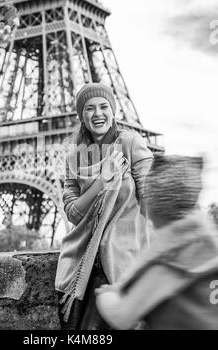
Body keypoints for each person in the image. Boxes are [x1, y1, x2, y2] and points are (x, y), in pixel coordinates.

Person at [55, 83, 154, 330]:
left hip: (124, 253)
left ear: (113, 111)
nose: (97, 114)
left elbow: (150, 201)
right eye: (89, 108)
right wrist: (102, 181)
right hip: (84, 256)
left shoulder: (131, 142)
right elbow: (73, 214)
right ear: (81, 116)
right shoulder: (73, 158)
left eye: (103, 106)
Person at [95, 155, 218, 330]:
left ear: (157, 207)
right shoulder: (205, 240)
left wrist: (106, 296)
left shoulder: (172, 258)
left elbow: (121, 315)